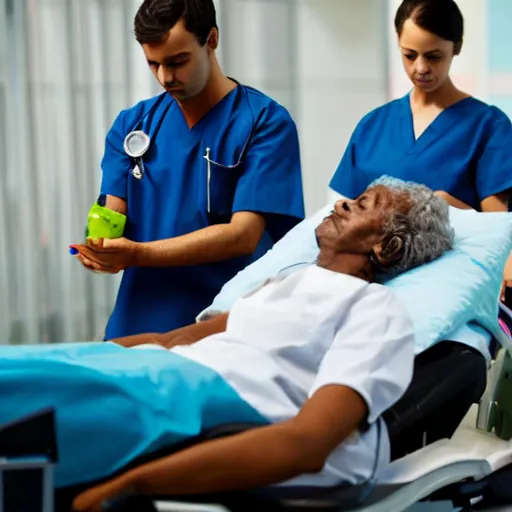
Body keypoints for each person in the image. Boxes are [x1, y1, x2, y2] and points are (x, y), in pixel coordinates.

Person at [5, 179, 449, 511]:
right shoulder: (284, 284)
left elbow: (309, 442)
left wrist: (128, 487)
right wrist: (76, 354)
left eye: (361, 205)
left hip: (192, 397)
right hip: (158, 368)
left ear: (385, 247)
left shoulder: (376, 309)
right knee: (21, 367)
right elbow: (171, 339)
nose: (340, 203)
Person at [72, 0, 305, 339]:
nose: (165, 77)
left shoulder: (264, 123)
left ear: (211, 39)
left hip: (225, 327)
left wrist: (137, 253)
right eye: (153, 64)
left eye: (178, 62)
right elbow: (111, 216)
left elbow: (243, 235)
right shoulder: (132, 125)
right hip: (135, 324)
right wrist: (101, 249)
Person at [330, 0, 512, 214]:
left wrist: (444, 207)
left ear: (457, 46)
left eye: (434, 57)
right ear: (398, 42)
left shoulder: (489, 127)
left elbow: (498, 229)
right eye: (409, 55)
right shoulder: (372, 126)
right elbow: (344, 216)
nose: (421, 68)